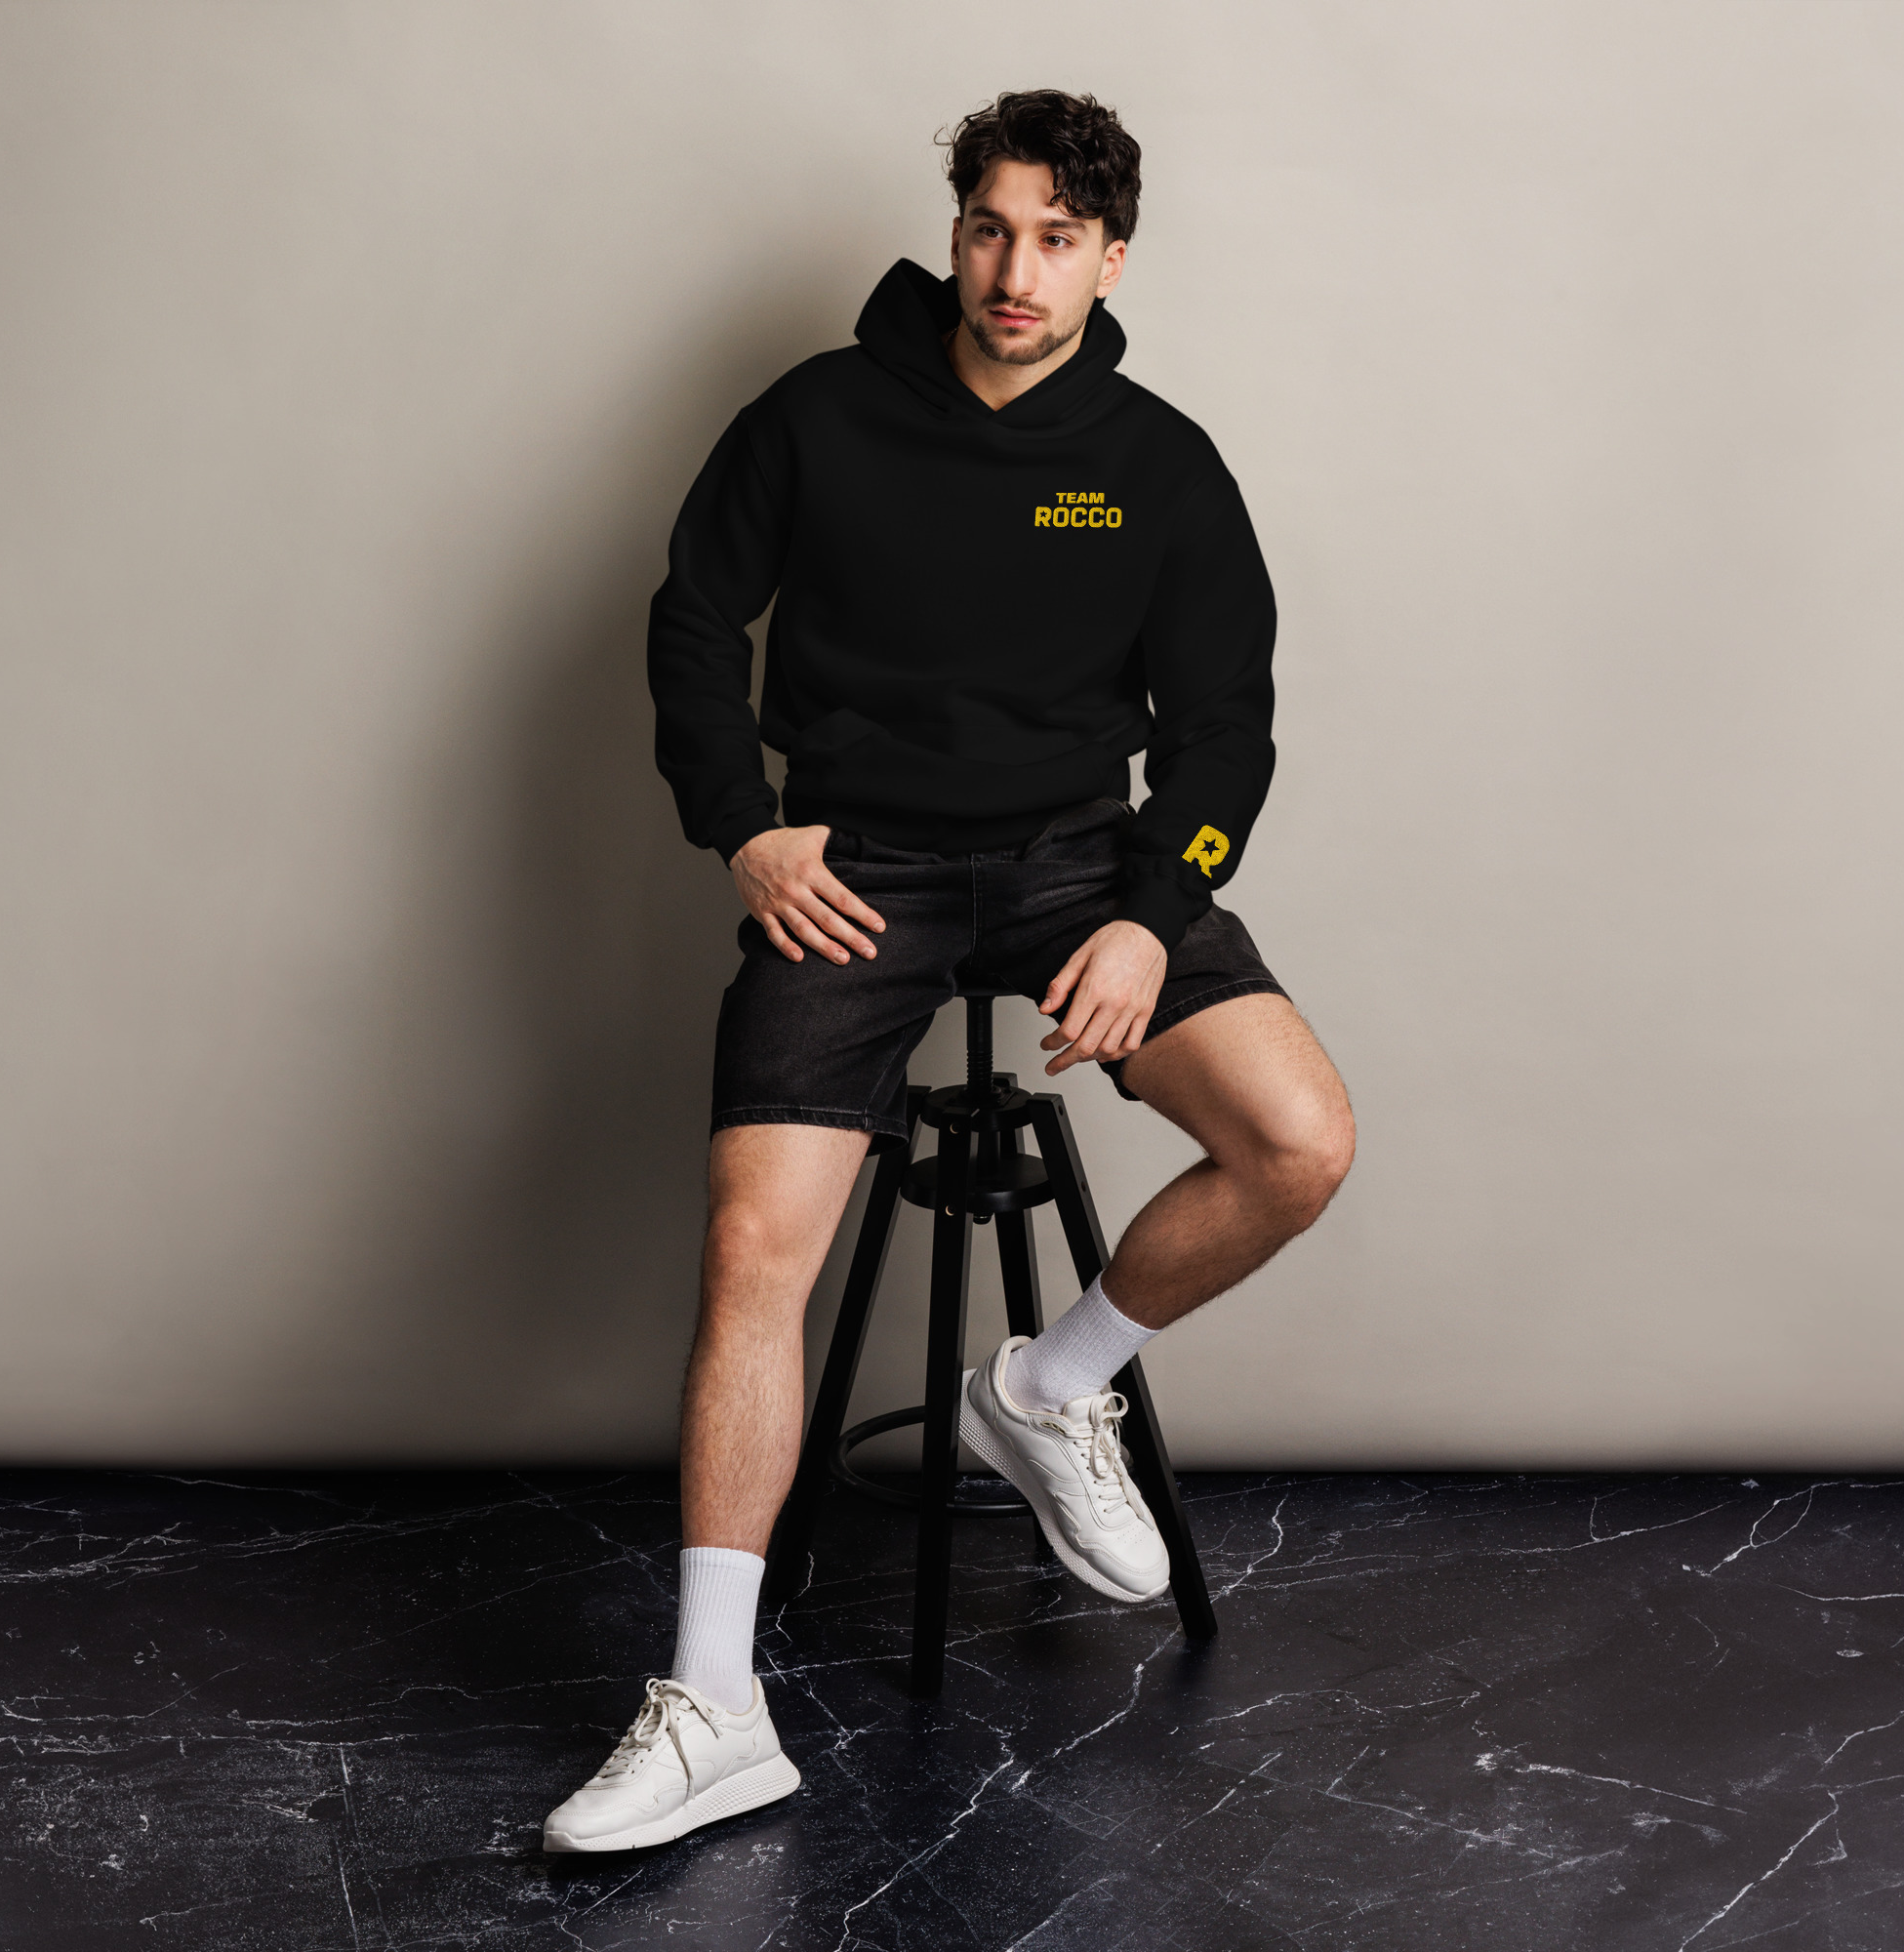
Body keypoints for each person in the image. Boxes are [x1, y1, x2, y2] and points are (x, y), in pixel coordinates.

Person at [542, 88, 1355, 1854]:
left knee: (1298, 1141)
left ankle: (1050, 1386)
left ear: (1111, 258)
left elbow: (1225, 726)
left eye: (1057, 238)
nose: (1014, 269)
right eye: (991, 227)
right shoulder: (817, 415)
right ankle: (713, 1706)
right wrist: (744, 828)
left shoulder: (1159, 463)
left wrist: (1152, 911)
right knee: (754, 1245)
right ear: (957, 231)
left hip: (1079, 865)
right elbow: (693, 620)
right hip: (858, 866)